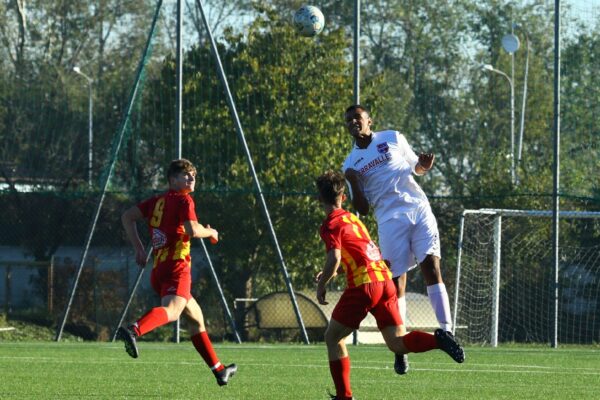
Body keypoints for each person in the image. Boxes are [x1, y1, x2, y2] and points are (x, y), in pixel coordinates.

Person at [315, 170, 464, 400]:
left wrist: (322, 283)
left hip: (364, 285)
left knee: (332, 338)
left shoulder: (330, 224)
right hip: (384, 280)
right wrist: (331, 272)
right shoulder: (353, 219)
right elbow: (355, 255)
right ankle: (438, 340)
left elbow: (334, 257)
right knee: (396, 343)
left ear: (319, 199)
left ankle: (344, 396)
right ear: (343, 197)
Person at [342, 104, 464, 375]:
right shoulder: (350, 164)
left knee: (431, 267)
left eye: (357, 118)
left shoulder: (393, 138)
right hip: (388, 221)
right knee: (396, 284)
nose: (353, 123)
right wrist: (353, 181)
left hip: (418, 209)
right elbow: (361, 209)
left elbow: (416, 168)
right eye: (349, 121)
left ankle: (447, 332)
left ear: (369, 121)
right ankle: (402, 346)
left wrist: (423, 166)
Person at [118, 158, 237, 387]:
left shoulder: (157, 201)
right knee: (172, 312)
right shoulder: (184, 200)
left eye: (193, 175)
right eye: (186, 175)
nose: (192, 178)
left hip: (159, 270)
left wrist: (140, 248)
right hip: (177, 268)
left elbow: (127, 217)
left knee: (196, 319)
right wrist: (211, 232)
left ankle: (219, 371)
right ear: (172, 179)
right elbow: (192, 230)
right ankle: (134, 330)